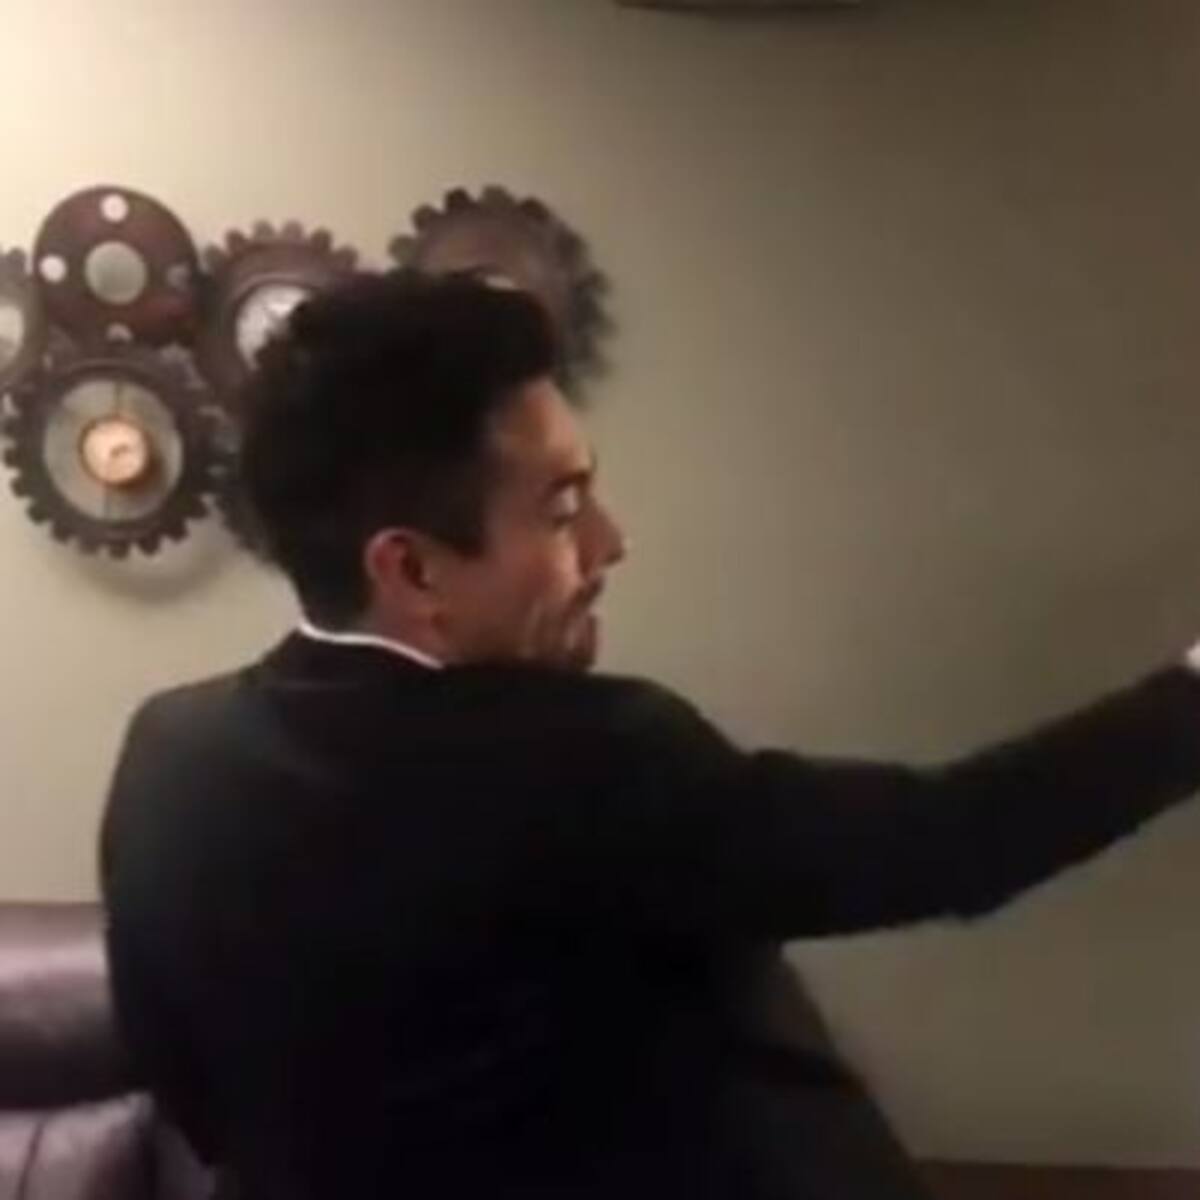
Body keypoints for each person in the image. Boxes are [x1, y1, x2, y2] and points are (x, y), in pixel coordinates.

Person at [102, 271, 1200, 1200]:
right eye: (562, 509)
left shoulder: (169, 757)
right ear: (413, 569)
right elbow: (952, 842)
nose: (610, 543)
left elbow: (192, 1098)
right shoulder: (591, 761)